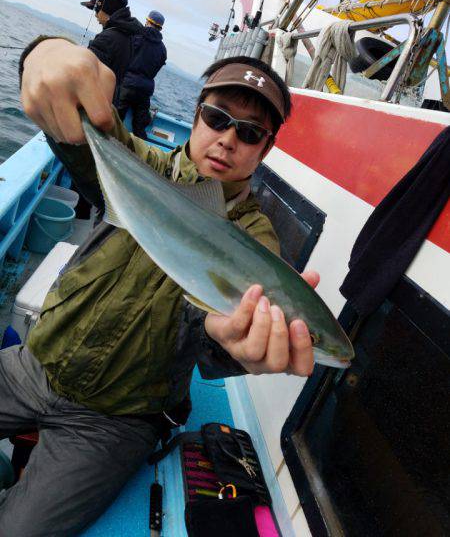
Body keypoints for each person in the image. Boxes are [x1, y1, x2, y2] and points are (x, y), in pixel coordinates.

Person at [5, 36, 319, 536]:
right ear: (196, 116)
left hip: (116, 420)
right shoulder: (140, 163)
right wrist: (43, 54)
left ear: (266, 147)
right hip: (34, 363)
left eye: (250, 131)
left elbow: (216, 338)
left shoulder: (257, 245)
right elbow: (77, 135)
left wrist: (233, 348)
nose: (227, 140)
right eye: (218, 118)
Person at [81, 0, 143, 105]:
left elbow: (85, 73)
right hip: (110, 102)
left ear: (105, 9)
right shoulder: (128, 35)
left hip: (94, 103)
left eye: (96, 10)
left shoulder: (108, 38)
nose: (95, 15)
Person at [117, 10, 167, 139]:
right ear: (160, 28)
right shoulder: (162, 49)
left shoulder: (135, 37)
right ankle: (141, 153)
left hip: (127, 85)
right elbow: (157, 67)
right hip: (145, 90)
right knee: (139, 128)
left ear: (148, 22)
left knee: (116, 120)